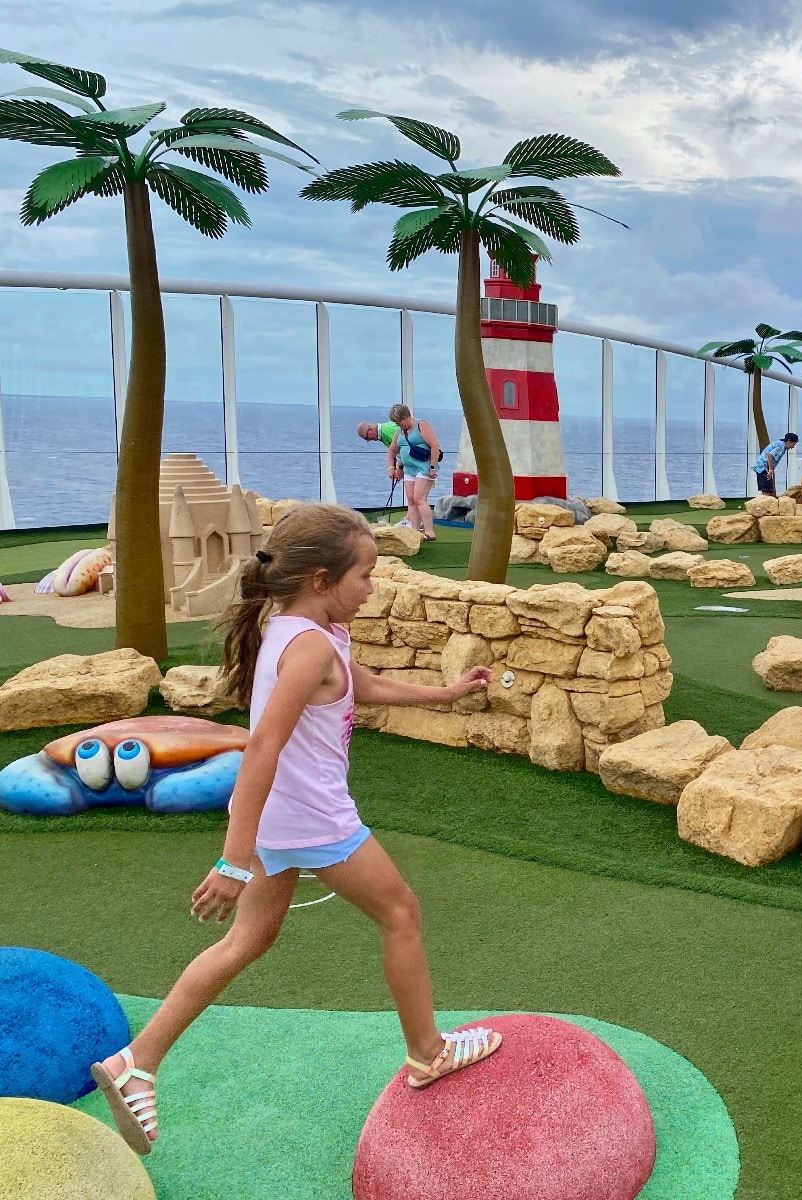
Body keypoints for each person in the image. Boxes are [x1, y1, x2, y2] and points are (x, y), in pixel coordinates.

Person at [91, 505, 501, 1156]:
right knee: (401, 913)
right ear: (320, 578)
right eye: (365, 574)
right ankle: (427, 1053)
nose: (372, 586)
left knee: (247, 941)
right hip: (311, 816)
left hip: (285, 815)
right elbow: (261, 749)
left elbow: (357, 683)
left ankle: (135, 1063)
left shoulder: (303, 628)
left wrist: (443, 695)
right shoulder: (309, 643)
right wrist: (231, 861)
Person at [385, 405, 440, 541]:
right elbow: (392, 450)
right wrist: (392, 468)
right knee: (410, 499)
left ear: (405, 417)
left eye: (399, 421)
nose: (398, 425)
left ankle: (429, 532)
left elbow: (434, 445)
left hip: (424, 467)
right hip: (409, 469)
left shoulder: (421, 425)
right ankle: (414, 531)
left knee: (419, 499)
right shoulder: (400, 432)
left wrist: (432, 467)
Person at [752, 432, 799, 497]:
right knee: (767, 489)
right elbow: (770, 455)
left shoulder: (780, 444)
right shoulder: (781, 446)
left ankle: (764, 502)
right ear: (789, 441)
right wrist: (770, 469)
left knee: (766, 489)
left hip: (761, 467)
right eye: (793, 444)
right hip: (764, 468)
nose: (793, 447)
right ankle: (766, 504)